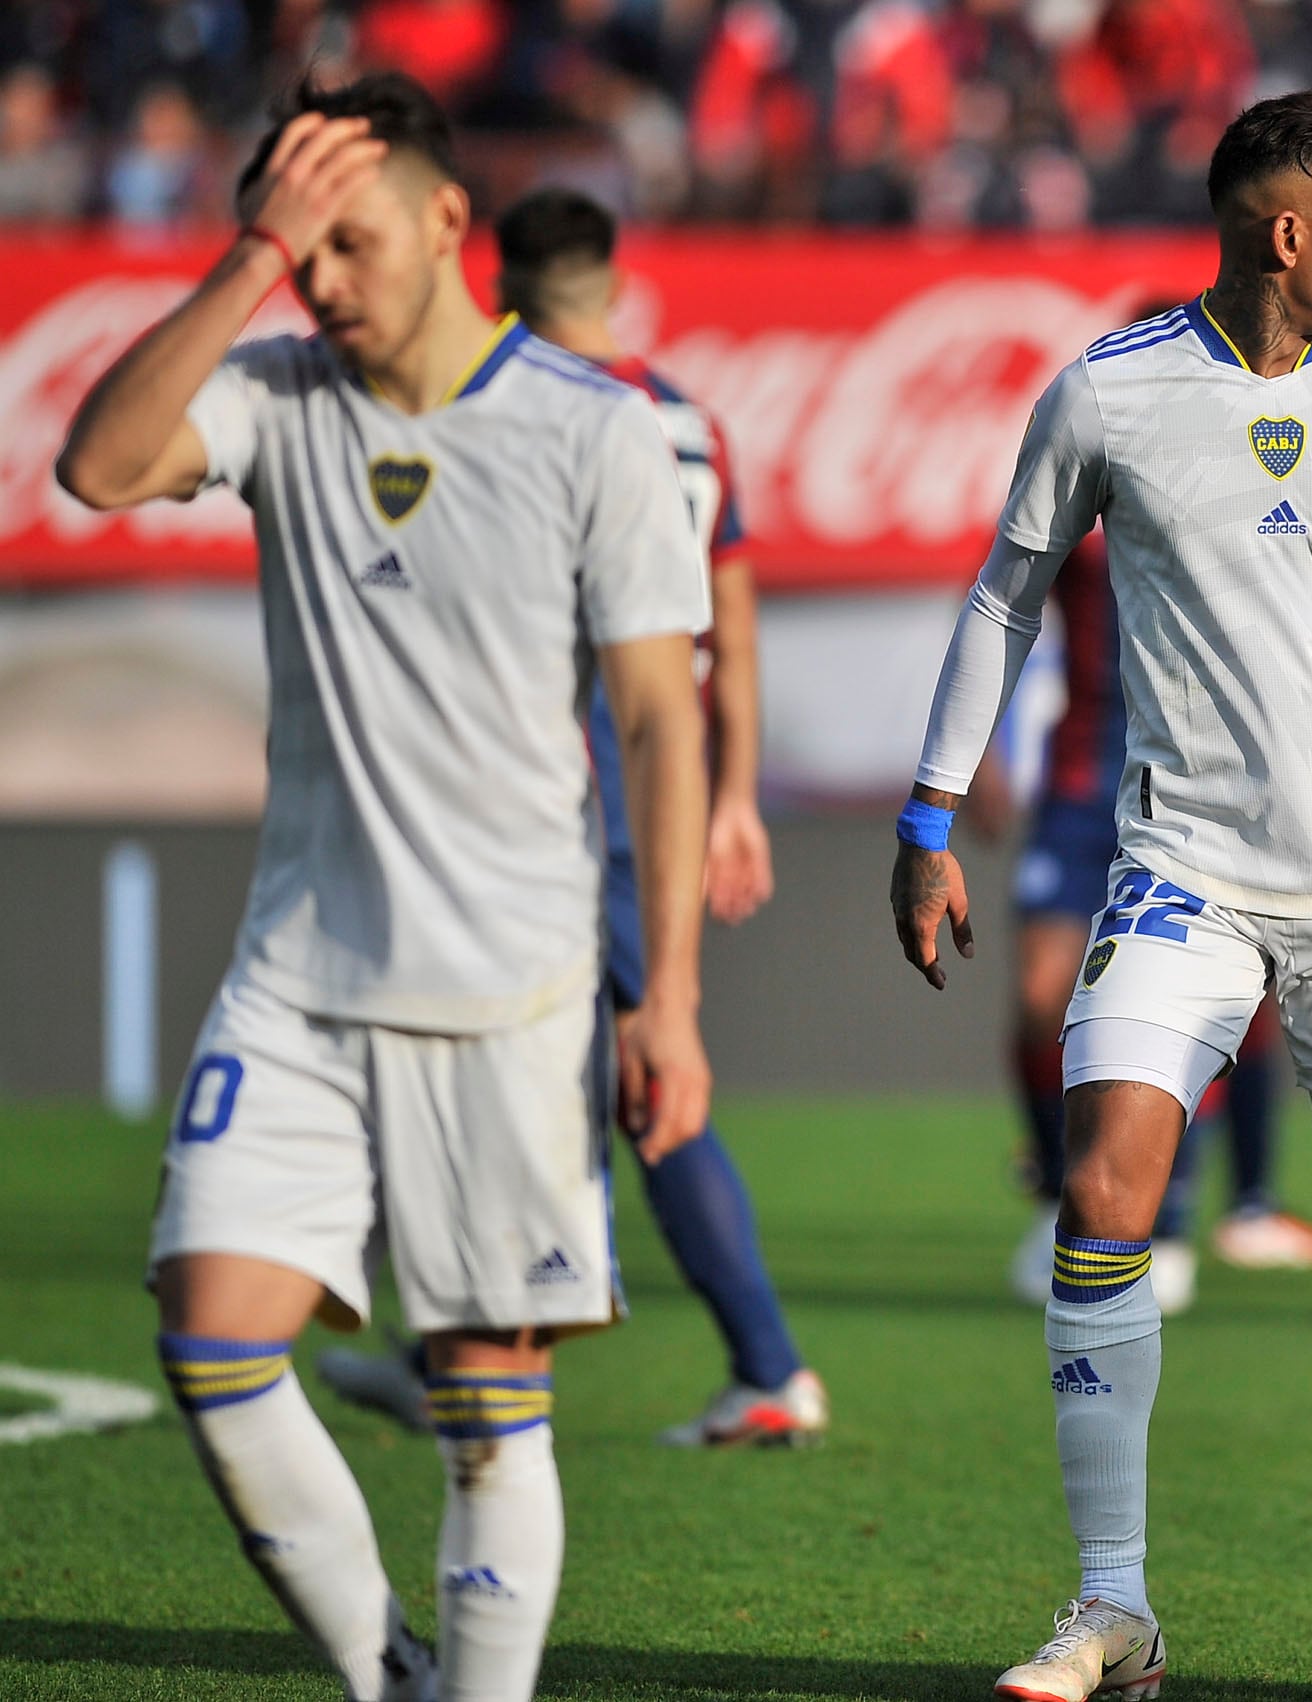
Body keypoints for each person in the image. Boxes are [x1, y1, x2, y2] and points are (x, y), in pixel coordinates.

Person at [890, 91, 1312, 1702]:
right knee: (1105, 1189)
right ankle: (1113, 1602)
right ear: (1288, 233)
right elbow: (1005, 593)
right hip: (1179, 869)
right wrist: (928, 810)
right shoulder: (1113, 394)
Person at [57, 74, 714, 1701]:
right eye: (302, 251)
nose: (324, 280)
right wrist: (248, 263)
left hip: (511, 989)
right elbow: (100, 464)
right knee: (213, 1338)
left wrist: (673, 998)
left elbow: (656, 717)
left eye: (347, 241)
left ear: (444, 223)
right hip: (299, 967)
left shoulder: (592, 427)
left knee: (490, 1406)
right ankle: (386, 1675)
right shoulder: (278, 388)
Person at [312, 186, 829, 1448]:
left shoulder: (511, 409)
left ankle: (747, 1361)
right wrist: (734, 797)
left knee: (600, 1066)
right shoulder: (693, 420)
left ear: (495, 282)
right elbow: (736, 633)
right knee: (593, 1068)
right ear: (613, 282)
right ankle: (470, 1356)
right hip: (668, 765)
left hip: (561, 770)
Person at [1000, 514, 1312, 1313]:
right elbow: (998, 609)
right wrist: (973, 754)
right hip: (1083, 786)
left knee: (1213, 1000)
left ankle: (1189, 1215)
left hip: (1194, 787)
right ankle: (1060, 1195)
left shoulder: (1220, 481)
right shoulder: (1072, 487)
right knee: (1042, 994)